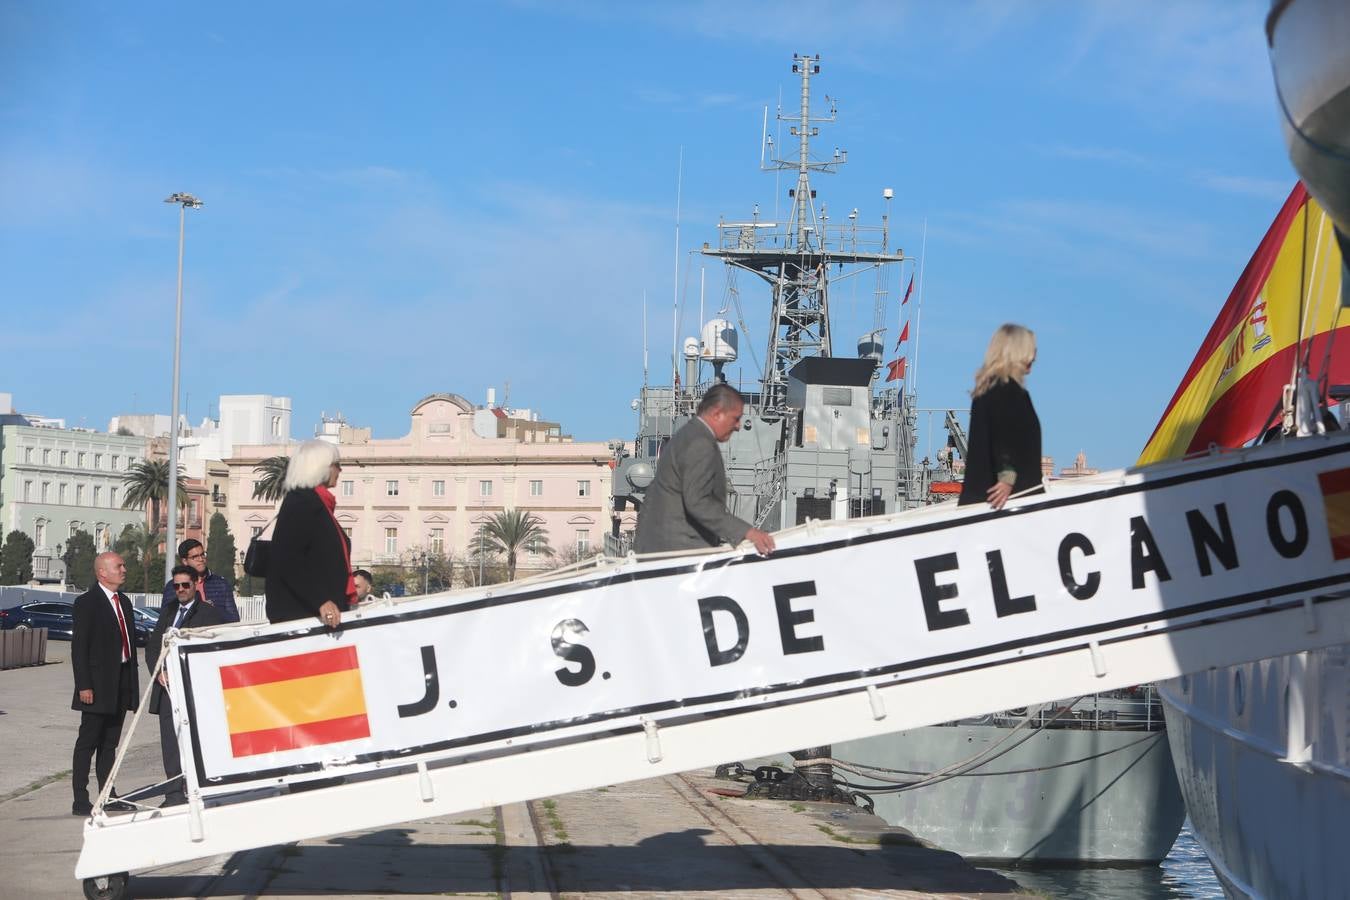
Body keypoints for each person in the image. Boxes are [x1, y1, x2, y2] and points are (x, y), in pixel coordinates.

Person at [634, 383, 775, 556]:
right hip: (680, 553)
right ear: (717, 413)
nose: (738, 426)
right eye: (735, 418)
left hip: (664, 549)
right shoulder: (700, 443)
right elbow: (698, 502)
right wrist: (748, 532)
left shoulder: (687, 435)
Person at [147, 565, 224, 807]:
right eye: (176, 586)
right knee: (170, 744)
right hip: (168, 691)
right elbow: (153, 647)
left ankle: (199, 791)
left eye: (185, 585)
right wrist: (159, 672)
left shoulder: (209, 614)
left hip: (194, 692)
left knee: (197, 743)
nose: (180, 590)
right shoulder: (169, 611)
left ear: (195, 585)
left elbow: (215, 650)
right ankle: (173, 795)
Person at [70, 552, 140, 816]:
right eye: (118, 566)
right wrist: (84, 685)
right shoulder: (87, 603)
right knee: (88, 742)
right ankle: (80, 799)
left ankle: (108, 795)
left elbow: (130, 646)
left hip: (121, 681)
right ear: (102, 572)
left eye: (123, 565)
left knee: (110, 743)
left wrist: (132, 687)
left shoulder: (124, 602)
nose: (124, 569)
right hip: (96, 686)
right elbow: (79, 649)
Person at [266, 439, 356, 627]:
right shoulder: (301, 503)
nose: (340, 470)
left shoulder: (317, 504)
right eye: (336, 464)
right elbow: (288, 559)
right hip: (302, 616)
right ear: (320, 467)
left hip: (322, 614)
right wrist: (320, 599)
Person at [958, 323, 1043, 510]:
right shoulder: (1006, 391)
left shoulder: (988, 389)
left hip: (989, 502)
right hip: (1008, 502)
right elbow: (1002, 433)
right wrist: (1007, 476)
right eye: (1031, 349)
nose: (1035, 355)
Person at [161, 538, 239, 624]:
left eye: (202, 555)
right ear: (185, 561)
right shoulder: (172, 586)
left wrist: (213, 609)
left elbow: (234, 620)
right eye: (195, 557)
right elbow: (164, 619)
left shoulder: (221, 584)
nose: (201, 559)